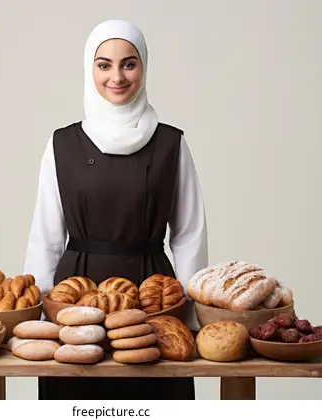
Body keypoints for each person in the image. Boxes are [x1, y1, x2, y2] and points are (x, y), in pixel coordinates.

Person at [23, 19, 208, 400]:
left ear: (144, 68)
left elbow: (190, 233)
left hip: (154, 297)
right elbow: (46, 234)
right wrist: (32, 311)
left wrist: (193, 317)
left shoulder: (171, 143)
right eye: (104, 64)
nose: (117, 77)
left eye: (129, 63)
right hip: (74, 297)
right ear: (89, 69)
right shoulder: (62, 144)